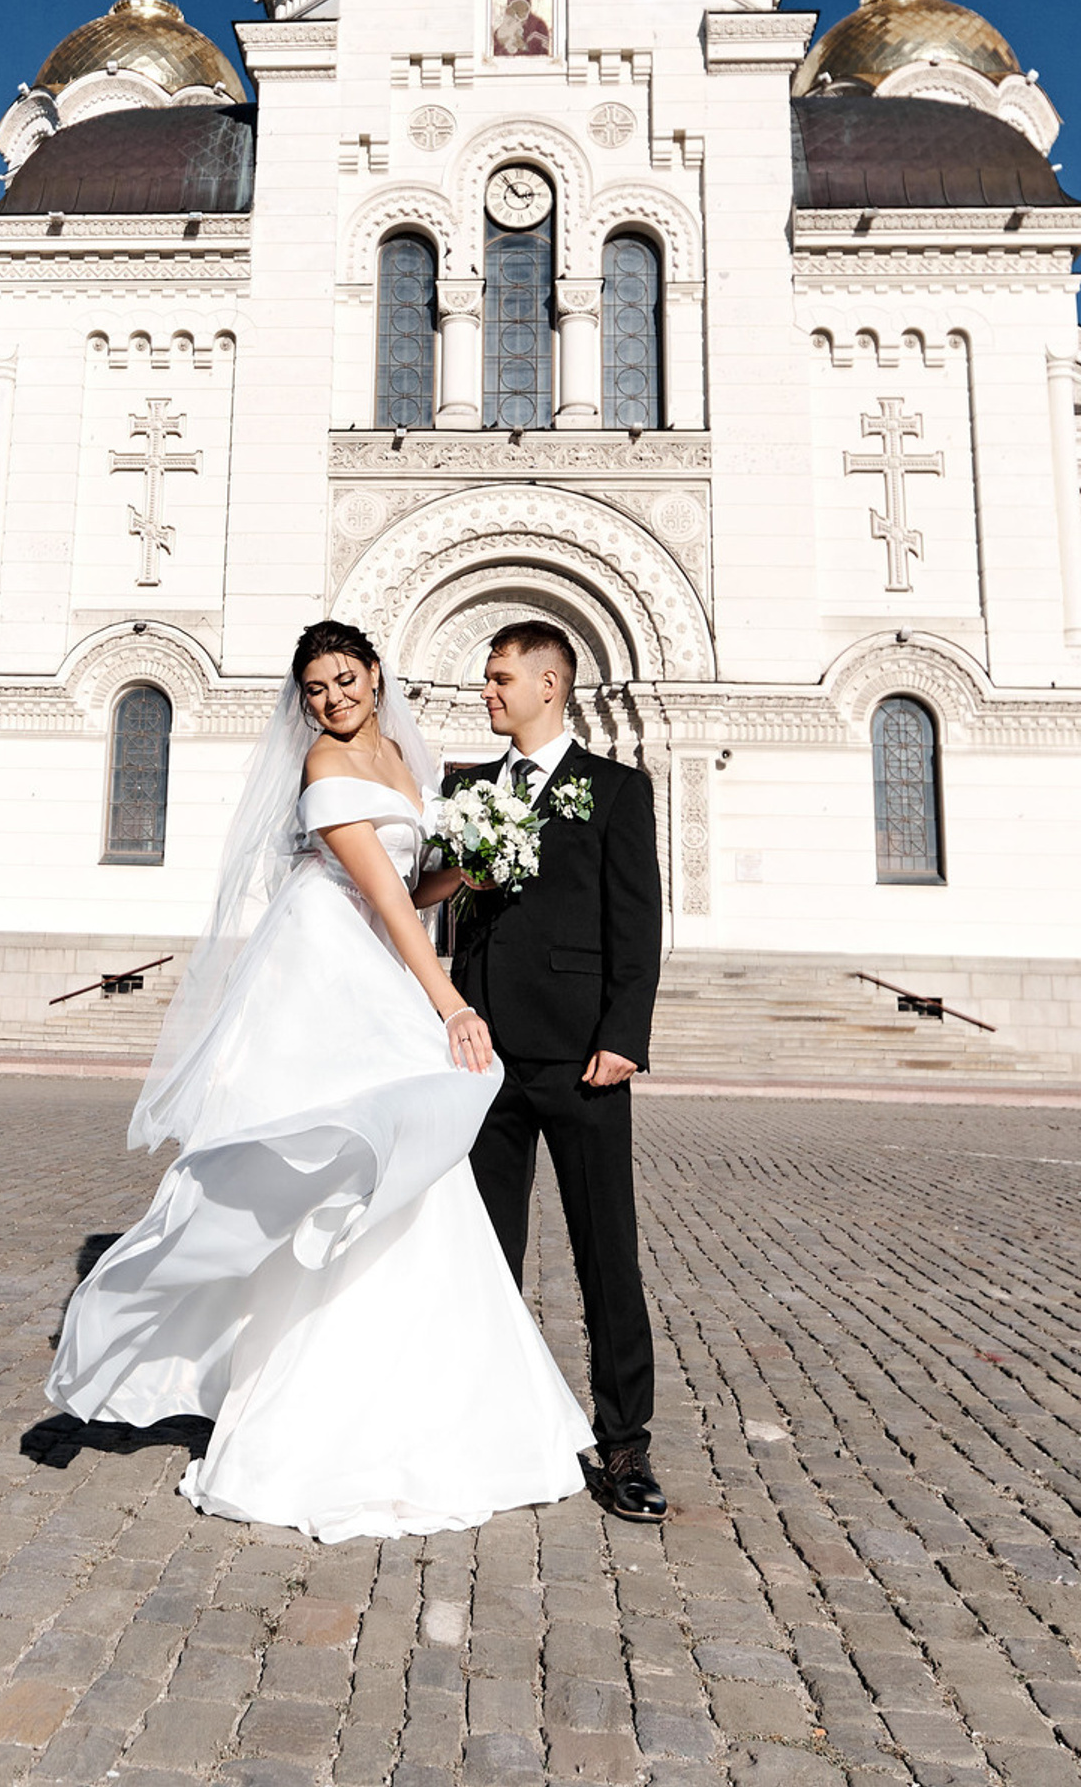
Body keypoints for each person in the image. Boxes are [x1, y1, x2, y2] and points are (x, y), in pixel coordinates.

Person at [46, 621, 588, 1543]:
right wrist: (452, 1004)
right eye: (315, 691)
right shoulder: (324, 771)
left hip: (374, 956)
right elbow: (378, 899)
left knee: (401, 1161)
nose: (333, 700)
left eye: (345, 680)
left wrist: (469, 864)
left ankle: (425, 1397)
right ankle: (315, 1412)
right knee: (350, 1155)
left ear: (376, 676)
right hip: (328, 970)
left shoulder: (405, 761)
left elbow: (411, 887)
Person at [441, 621, 667, 1524]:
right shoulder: (466, 790)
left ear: (549, 685)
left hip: (582, 1057)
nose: (487, 693)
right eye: (487, 679)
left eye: (500, 679)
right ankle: (487, 1427)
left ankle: (624, 1443)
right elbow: (445, 907)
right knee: (483, 1252)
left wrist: (624, 1032)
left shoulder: (613, 790)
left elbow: (637, 920)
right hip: (485, 1055)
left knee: (604, 1252)